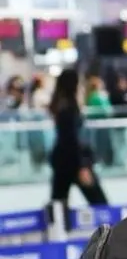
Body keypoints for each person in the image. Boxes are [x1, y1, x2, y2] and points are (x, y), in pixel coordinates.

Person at [47, 69, 108, 207]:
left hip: (63, 162)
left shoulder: (63, 107)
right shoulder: (68, 110)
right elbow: (71, 139)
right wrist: (82, 166)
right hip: (73, 162)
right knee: (101, 206)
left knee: (58, 206)